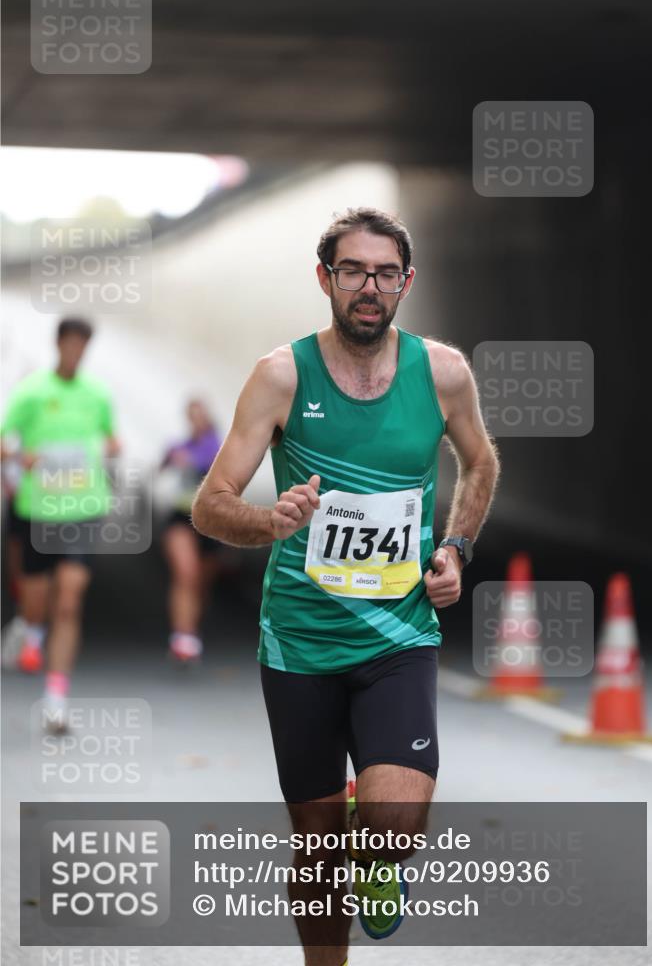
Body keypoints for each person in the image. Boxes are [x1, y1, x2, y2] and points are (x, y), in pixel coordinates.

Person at [192, 207, 499, 965]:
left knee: (390, 827)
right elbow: (210, 504)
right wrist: (270, 523)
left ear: (406, 282)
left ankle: (378, 853)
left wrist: (455, 548)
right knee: (317, 845)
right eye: (354, 271)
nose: (370, 286)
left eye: (385, 272)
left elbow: (480, 464)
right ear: (325, 278)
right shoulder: (280, 375)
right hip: (299, 643)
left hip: (398, 636)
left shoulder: (443, 373)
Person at [0, 317, 120, 731]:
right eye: (69, 344)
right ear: (58, 344)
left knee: (69, 599)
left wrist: (111, 447)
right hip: (39, 511)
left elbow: (111, 438)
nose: (75, 352)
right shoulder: (31, 392)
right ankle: (27, 627)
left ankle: (55, 700)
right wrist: (18, 457)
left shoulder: (97, 393)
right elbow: (4, 440)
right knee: (37, 603)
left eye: (82, 345)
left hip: (84, 508)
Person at [159, 399, 223, 663]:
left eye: (199, 416)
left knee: (200, 583)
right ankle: (182, 636)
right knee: (186, 574)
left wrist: (189, 459)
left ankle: (191, 629)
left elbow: (212, 462)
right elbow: (162, 465)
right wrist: (170, 457)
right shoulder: (181, 444)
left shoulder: (218, 444)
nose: (195, 421)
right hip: (181, 516)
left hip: (212, 519)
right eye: (191, 417)